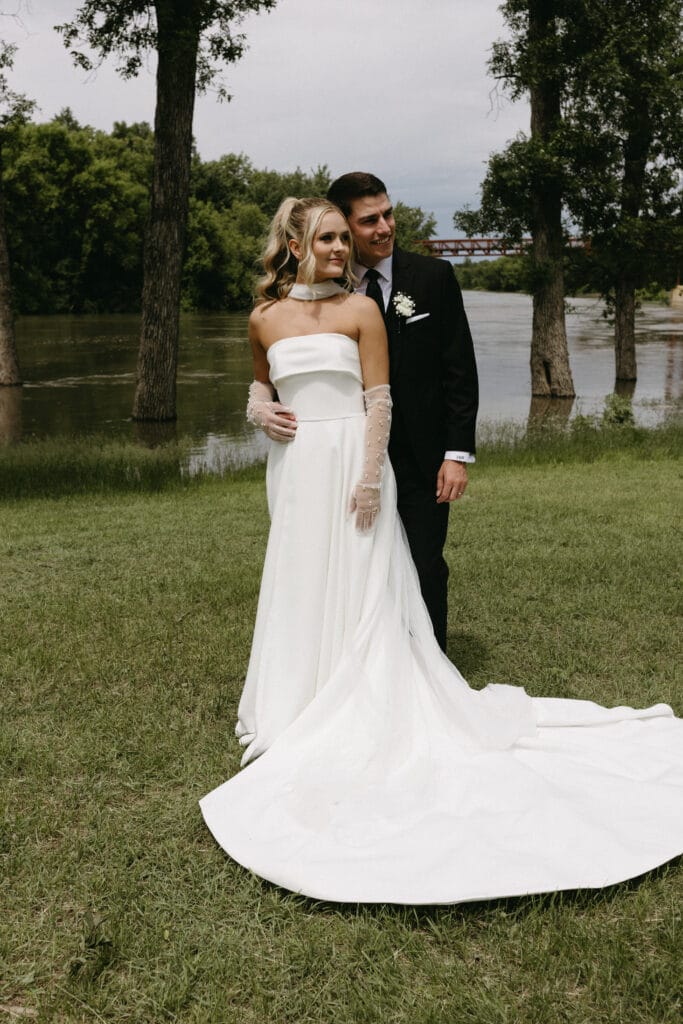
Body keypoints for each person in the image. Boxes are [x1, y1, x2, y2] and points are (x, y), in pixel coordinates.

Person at [200, 196, 683, 906]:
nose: (341, 249)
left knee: (365, 584)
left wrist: (370, 480)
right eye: (328, 238)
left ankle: (361, 705)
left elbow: (379, 401)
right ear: (295, 243)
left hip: (353, 466)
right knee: (301, 580)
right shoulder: (262, 317)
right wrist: (254, 410)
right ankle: (298, 701)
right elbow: (260, 384)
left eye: (345, 237)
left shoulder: (361, 311)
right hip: (296, 470)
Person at [326, 172, 478, 652]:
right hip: (352, 455)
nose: (385, 227)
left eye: (388, 213)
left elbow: (460, 370)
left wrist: (456, 453)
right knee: (358, 563)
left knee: (425, 562)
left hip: (424, 457)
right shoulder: (326, 289)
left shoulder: (434, 278)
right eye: (369, 220)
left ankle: (431, 665)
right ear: (345, 226)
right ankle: (365, 662)